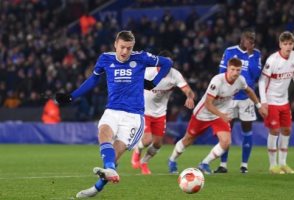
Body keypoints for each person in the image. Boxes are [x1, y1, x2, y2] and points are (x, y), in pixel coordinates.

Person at [54, 30, 172, 198]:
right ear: (115, 44)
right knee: (103, 132)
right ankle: (109, 169)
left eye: (129, 48)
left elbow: (167, 62)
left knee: (115, 153)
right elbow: (93, 80)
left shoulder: (141, 57)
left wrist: (153, 82)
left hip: (134, 116)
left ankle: (97, 188)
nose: (125, 52)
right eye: (122, 47)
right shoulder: (105, 59)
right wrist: (72, 96)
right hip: (113, 110)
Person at [168, 57, 267, 174]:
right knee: (188, 140)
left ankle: (204, 163)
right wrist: (222, 115)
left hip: (219, 115)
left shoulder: (240, 80)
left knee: (226, 142)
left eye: (238, 70)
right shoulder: (217, 81)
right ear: (227, 69)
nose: (235, 73)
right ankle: (172, 160)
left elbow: (249, 91)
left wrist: (259, 105)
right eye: (233, 69)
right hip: (203, 114)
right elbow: (208, 104)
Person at [131, 51, 195, 175]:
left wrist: (190, 97)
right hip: (143, 111)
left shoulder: (175, 74)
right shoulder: (148, 72)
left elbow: (187, 89)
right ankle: (137, 151)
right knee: (147, 139)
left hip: (160, 114)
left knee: (157, 144)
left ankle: (144, 162)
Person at [258, 31, 294, 174]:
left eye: (290, 43)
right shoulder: (272, 60)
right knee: (274, 131)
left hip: (284, 101)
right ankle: (273, 166)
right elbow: (262, 81)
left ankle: (283, 164)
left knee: (286, 130)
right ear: (280, 45)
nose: (288, 46)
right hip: (271, 100)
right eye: (285, 44)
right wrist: (264, 101)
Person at [215, 29, 262, 174]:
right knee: (226, 130)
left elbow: (256, 74)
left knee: (247, 130)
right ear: (242, 39)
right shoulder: (229, 51)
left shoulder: (256, 54)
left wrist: (250, 55)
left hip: (246, 98)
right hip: (230, 98)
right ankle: (223, 165)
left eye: (253, 40)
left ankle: (244, 165)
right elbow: (221, 72)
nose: (251, 42)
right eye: (248, 39)